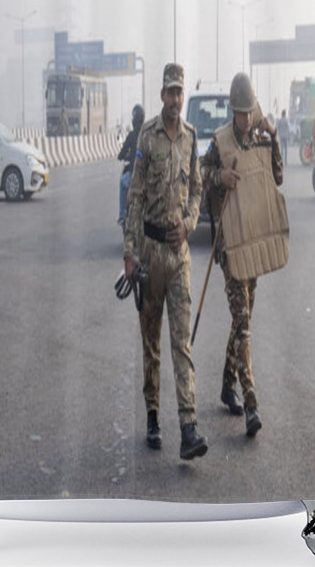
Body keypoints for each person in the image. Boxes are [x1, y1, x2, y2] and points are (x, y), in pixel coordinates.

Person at [123, 63, 208, 460]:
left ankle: (189, 427)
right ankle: (153, 415)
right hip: (150, 254)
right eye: (170, 93)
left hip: (179, 256)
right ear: (161, 96)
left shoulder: (191, 138)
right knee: (151, 343)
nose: (175, 100)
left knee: (182, 342)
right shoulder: (148, 137)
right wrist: (129, 251)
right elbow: (135, 197)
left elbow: (196, 193)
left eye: (180, 93)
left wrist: (189, 224)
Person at [202, 73, 284, 438]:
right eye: (241, 113)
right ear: (232, 112)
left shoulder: (261, 139)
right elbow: (200, 174)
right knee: (244, 323)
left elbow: (277, 177)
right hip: (231, 246)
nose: (246, 119)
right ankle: (251, 402)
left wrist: (275, 137)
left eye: (250, 113)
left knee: (242, 319)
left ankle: (225, 386)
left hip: (256, 242)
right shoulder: (220, 142)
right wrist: (221, 177)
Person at [117, 103, 145, 227]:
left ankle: (122, 215)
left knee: (123, 183)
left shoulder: (131, 136)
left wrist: (123, 156)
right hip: (146, 177)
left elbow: (121, 153)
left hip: (134, 177)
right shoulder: (147, 135)